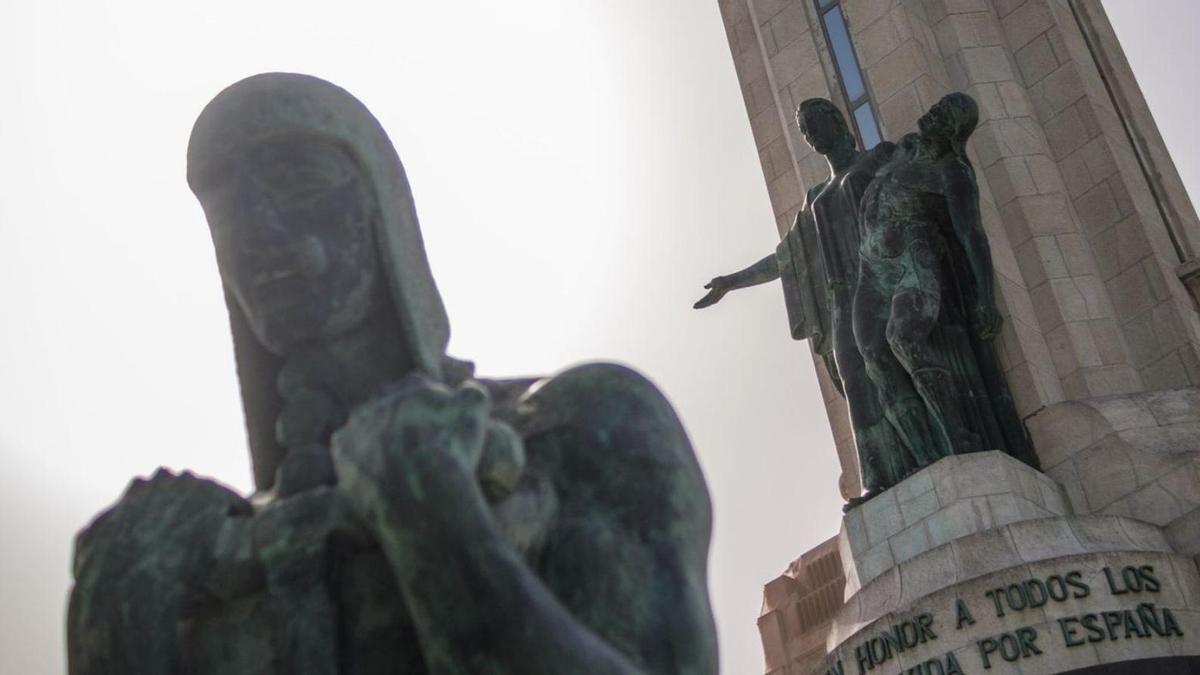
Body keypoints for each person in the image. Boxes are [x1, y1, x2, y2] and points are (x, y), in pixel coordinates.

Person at [68, 73, 718, 675]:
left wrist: (435, 523)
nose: (259, 233)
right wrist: (125, 619)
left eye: (297, 187)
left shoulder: (582, 425)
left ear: (379, 205)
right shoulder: (205, 551)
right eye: (229, 213)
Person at [695, 99, 915, 500]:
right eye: (804, 131)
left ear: (837, 121)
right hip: (844, 300)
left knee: (886, 361)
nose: (811, 135)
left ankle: (922, 450)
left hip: (887, 282)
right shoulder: (816, 198)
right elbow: (785, 259)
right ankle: (879, 476)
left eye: (814, 123)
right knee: (854, 377)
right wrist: (732, 280)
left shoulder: (880, 159)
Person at [853, 93, 1034, 468]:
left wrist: (986, 297)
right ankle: (922, 455)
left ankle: (956, 435)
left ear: (954, 129)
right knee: (872, 357)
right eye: (937, 107)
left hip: (911, 263)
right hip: (870, 269)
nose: (933, 112)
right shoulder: (905, 147)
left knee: (902, 338)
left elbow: (973, 235)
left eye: (944, 114)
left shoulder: (953, 173)